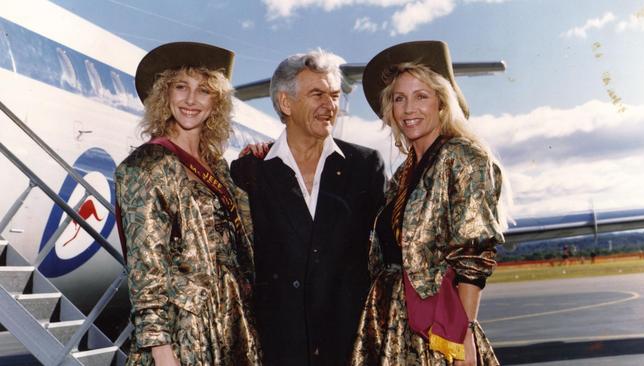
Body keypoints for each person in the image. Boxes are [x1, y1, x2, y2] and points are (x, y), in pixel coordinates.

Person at [350, 41, 506, 365]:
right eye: (399, 98)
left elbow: (473, 256)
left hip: (437, 330)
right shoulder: (403, 174)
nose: (409, 109)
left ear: (442, 102)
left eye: (421, 96)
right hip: (390, 321)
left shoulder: (462, 157)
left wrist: (462, 338)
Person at [230, 50, 386, 365]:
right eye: (317, 94)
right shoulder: (249, 172)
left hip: (351, 348)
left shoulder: (366, 166)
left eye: (334, 95)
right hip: (279, 349)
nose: (330, 106)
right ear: (286, 103)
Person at [115, 42, 261, 365]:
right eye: (181, 87)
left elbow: (246, 237)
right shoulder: (147, 165)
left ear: (217, 102)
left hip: (231, 323)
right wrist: (163, 353)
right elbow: (145, 269)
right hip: (184, 336)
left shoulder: (218, 167)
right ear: (165, 94)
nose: (191, 100)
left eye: (204, 90)